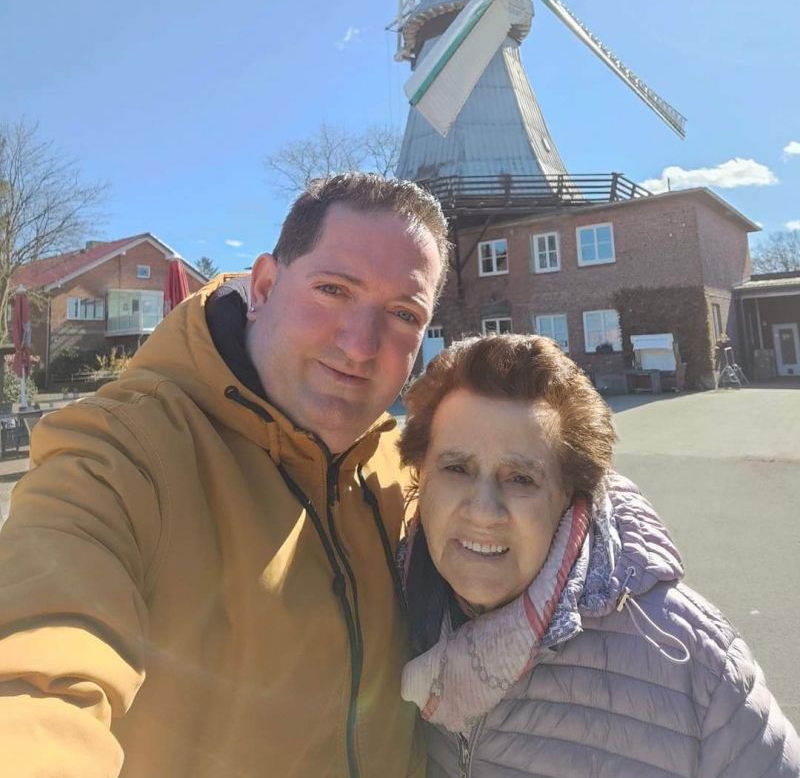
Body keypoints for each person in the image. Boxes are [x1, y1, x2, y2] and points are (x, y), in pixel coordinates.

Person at [0, 172, 449, 778]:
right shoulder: (122, 453)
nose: (360, 344)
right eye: (333, 289)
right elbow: (36, 665)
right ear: (263, 285)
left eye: (402, 312)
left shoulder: (409, 469)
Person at [398, 334, 800, 778]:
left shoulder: (694, 665)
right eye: (457, 468)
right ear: (421, 477)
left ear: (571, 498)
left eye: (521, 479)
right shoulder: (379, 614)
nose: (483, 510)